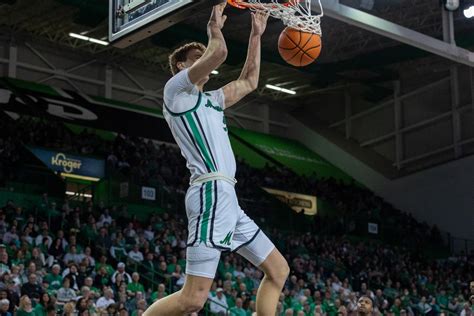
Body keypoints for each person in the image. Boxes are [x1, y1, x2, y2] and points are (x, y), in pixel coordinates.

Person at [143, 2, 289, 316]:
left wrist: (256, 35)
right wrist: (213, 29)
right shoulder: (176, 94)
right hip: (209, 193)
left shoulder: (212, 100)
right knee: (193, 300)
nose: (206, 61)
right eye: (197, 58)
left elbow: (249, 82)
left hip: (228, 198)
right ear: (181, 66)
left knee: (278, 270)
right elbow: (219, 54)